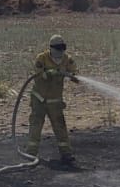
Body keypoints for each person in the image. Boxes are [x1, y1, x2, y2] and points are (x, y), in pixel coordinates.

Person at [26, 35, 80, 164]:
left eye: (62, 48)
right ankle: (30, 154)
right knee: (36, 126)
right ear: (51, 48)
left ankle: (66, 154)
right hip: (39, 99)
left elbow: (75, 73)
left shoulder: (67, 59)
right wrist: (49, 73)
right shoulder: (42, 58)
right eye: (58, 48)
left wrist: (73, 76)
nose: (60, 52)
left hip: (55, 101)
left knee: (60, 127)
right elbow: (38, 75)